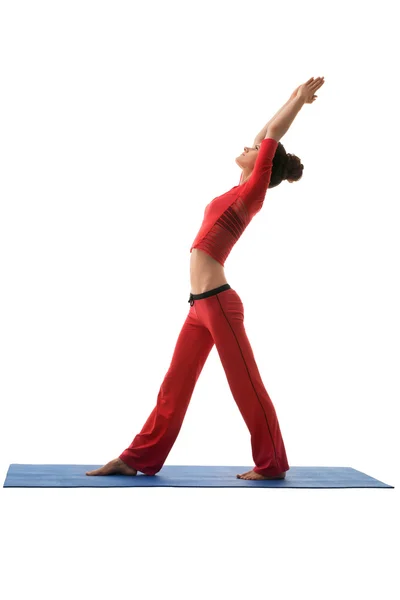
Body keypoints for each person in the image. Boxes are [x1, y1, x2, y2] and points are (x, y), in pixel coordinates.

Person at [87, 76, 325, 480]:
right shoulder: (238, 188)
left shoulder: (253, 193)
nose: (248, 146)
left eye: (255, 150)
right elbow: (264, 132)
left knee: (245, 384)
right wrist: (288, 97)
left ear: (263, 164)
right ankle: (136, 458)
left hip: (218, 302)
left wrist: (298, 104)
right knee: (173, 386)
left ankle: (272, 464)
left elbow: (270, 134)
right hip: (199, 306)